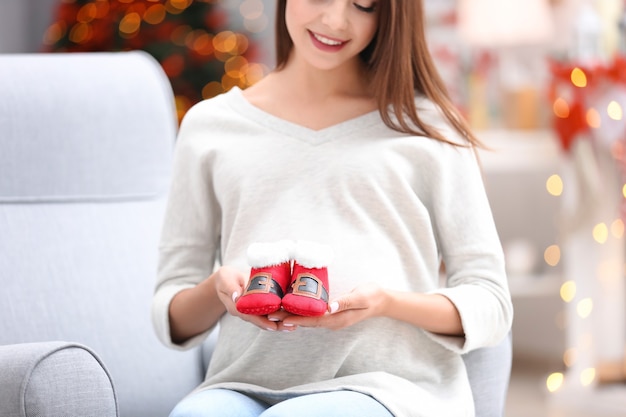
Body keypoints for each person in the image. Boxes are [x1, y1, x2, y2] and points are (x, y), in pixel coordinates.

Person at [151, 1, 513, 416]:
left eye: (364, 5)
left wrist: (387, 303)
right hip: (241, 385)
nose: (336, 21)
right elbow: (171, 313)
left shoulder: (429, 129)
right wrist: (219, 289)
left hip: (390, 391)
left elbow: (492, 303)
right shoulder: (210, 127)